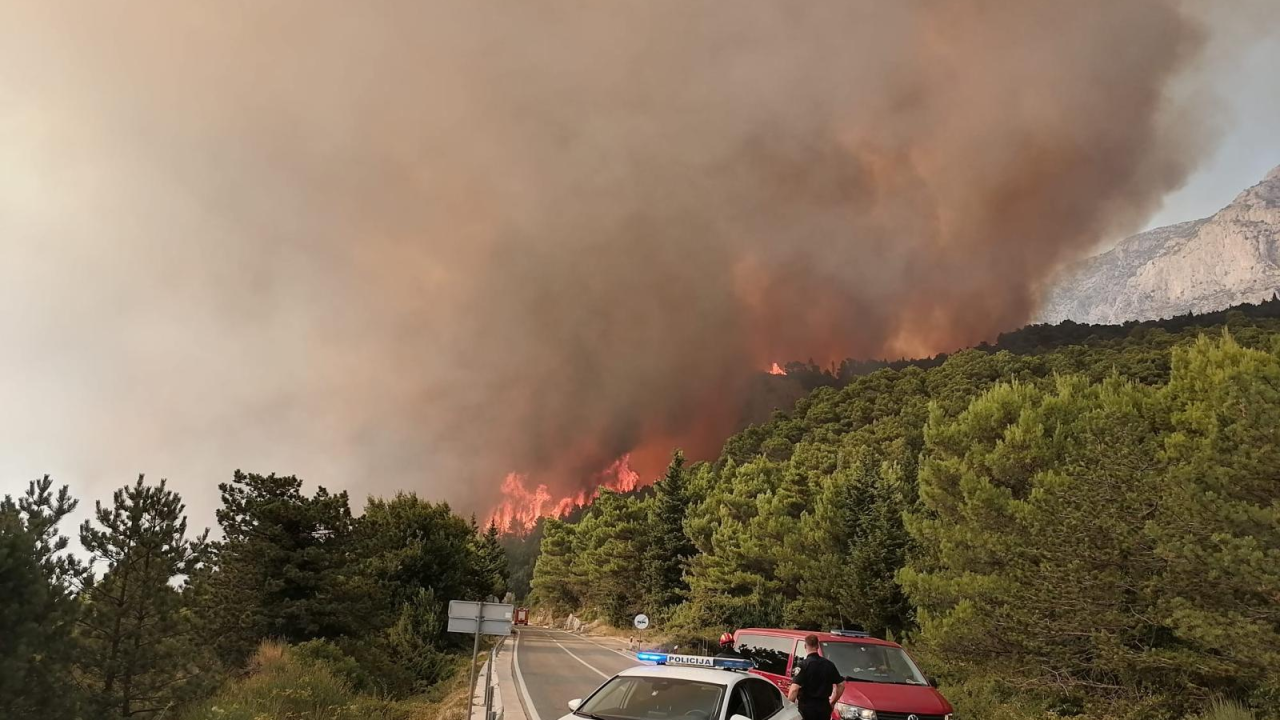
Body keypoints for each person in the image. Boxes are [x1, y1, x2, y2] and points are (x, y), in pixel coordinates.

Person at [787, 635, 845, 720]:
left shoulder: (803, 665)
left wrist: (789, 708)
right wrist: (833, 702)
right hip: (824, 707)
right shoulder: (829, 665)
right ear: (818, 646)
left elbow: (794, 689)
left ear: (805, 646)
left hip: (807, 708)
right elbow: (841, 685)